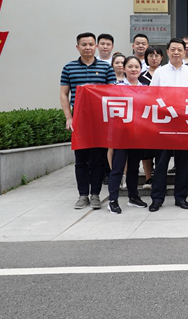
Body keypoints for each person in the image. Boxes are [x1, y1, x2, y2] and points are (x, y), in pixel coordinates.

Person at [60, 32, 116, 210]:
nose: (88, 47)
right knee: (81, 160)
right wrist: (69, 117)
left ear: (96, 46)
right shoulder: (69, 67)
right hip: (79, 119)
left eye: (91, 44)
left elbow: (113, 92)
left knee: (98, 159)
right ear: (78, 47)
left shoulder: (106, 68)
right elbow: (64, 94)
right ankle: (83, 195)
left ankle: (95, 194)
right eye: (84, 44)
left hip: (100, 119)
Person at [148, 38, 188, 212]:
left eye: (180, 49)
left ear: (185, 52)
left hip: (184, 124)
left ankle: (180, 197)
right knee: (161, 163)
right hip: (164, 124)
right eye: (173, 49)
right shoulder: (160, 72)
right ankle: (157, 198)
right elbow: (152, 96)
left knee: (183, 163)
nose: (176, 52)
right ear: (168, 52)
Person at [106, 56, 149, 213]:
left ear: (141, 69)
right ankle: (112, 200)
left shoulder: (146, 88)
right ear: (124, 69)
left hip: (138, 134)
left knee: (134, 167)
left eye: (136, 67)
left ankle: (133, 197)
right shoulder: (116, 87)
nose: (133, 69)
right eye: (130, 66)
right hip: (121, 134)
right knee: (118, 167)